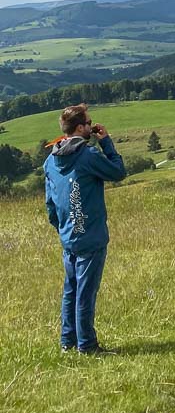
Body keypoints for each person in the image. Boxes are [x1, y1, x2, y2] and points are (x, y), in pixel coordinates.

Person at [43, 103, 126, 354]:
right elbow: (118, 172)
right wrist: (106, 142)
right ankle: (87, 345)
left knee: (71, 290)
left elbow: (50, 202)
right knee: (86, 293)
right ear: (80, 128)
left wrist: (61, 228)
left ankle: (67, 341)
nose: (92, 126)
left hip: (69, 236)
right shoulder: (88, 156)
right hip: (90, 235)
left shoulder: (51, 160)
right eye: (89, 123)